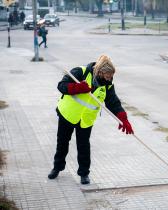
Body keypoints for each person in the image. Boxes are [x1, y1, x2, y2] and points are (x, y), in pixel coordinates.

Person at [48, 55, 134, 185]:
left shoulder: (108, 84)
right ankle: (57, 167)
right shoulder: (80, 72)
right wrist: (77, 88)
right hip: (68, 114)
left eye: (111, 76)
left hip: (86, 119)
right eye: (107, 75)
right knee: (62, 143)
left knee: (83, 146)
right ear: (99, 71)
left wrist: (123, 118)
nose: (109, 78)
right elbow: (61, 86)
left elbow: (113, 102)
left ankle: (84, 173)